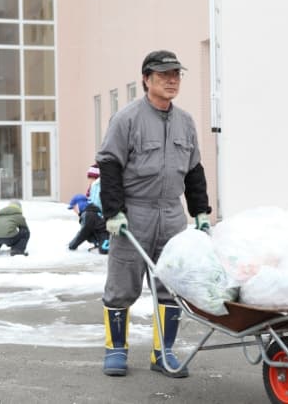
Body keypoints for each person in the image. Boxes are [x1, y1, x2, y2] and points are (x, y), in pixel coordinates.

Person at [96, 50, 212, 378]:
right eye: (163, 75)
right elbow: (110, 165)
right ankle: (116, 350)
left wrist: (200, 211)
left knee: (171, 286)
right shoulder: (127, 118)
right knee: (122, 286)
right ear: (146, 79)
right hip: (135, 214)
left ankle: (163, 353)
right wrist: (114, 212)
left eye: (176, 74)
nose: (172, 80)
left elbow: (194, 170)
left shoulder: (186, 121)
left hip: (172, 215)